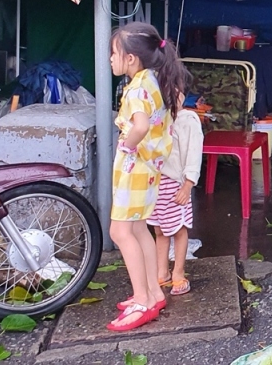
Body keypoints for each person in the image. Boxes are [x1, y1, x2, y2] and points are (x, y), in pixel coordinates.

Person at [106, 22, 183, 332]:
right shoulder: (154, 79)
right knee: (140, 229)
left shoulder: (137, 87)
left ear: (131, 59)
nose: (110, 59)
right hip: (150, 170)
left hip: (133, 168)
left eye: (114, 53)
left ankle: (143, 300)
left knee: (120, 232)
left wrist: (126, 145)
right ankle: (153, 291)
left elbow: (138, 125)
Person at [148, 70, 203, 296]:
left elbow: (193, 154)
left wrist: (188, 184)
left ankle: (178, 272)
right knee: (160, 230)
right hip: (155, 183)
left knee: (179, 230)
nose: (173, 95)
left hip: (176, 185)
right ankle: (162, 272)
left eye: (177, 91)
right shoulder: (157, 119)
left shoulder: (188, 120)